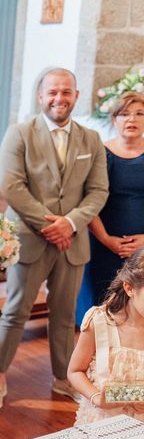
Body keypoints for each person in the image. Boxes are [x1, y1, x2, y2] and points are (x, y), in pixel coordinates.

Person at [0, 68, 109, 412]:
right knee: (15, 312)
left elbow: (98, 191)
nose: (59, 98)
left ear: (76, 96)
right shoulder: (20, 134)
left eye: (66, 92)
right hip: (30, 239)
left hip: (73, 243)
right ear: (40, 96)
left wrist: (70, 223)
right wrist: (48, 225)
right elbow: (12, 187)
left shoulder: (91, 140)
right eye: (52, 92)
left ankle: (62, 377)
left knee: (65, 315)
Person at [68, 247, 144, 424]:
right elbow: (75, 371)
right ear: (129, 288)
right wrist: (95, 397)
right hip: (103, 424)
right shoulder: (100, 323)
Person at [87, 92, 144, 305]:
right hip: (105, 248)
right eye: (125, 114)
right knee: (106, 308)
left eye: (139, 113)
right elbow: (88, 201)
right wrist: (106, 240)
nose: (132, 119)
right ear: (114, 120)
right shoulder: (99, 153)